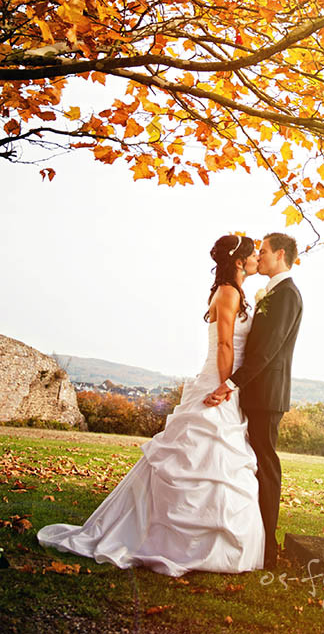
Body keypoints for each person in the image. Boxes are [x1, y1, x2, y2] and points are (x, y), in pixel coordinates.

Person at [37, 234, 265, 576]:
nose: (257, 258)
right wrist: (225, 387)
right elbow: (223, 346)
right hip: (218, 383)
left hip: (221, 381)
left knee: (210, 458)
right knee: (203, 455)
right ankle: (180, 541)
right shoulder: (229, 292)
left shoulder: (230, 291)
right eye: (253, 254)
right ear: (237, 261)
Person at [204, 232, 303, 569]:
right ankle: (255, 538)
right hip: (253, 393)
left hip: (266, 395)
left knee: (265, 467)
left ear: (279, 254)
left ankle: (268, 547)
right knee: (253, 465)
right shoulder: (270, 292)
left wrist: (231, 382)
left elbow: (267, 349)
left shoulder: (287, 294)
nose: (258, 256)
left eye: (263, 251)